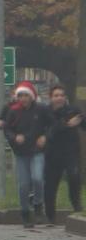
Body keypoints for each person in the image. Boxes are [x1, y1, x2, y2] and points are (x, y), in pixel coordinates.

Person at [3, 81, 54, 228]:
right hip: (21, 152)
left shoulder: (41, 109)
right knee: (24, 184)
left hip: (37, 151)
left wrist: (45, 136)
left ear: (32, 96)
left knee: (37, 178)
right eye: (21, 96)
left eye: (26, 95)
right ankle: (25, 212)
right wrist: (15, 137)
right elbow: (7, 130)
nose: (23, 99)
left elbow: (52, 125)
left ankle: (38, 205)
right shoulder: (13, 111)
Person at [44, 84, 84, 223]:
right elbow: (49, 132)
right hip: (52, 153)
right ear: (51, 98)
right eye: (56, 96)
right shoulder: (46, 112)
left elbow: (82, 124)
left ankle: (77, 207)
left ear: (65, 97)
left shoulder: (73, 110)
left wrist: (82, 119)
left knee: (74, 177)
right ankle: (50, 216)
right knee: (50, 185)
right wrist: (66, 124)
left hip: (71, 152)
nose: (59, 98)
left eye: (61, 95)